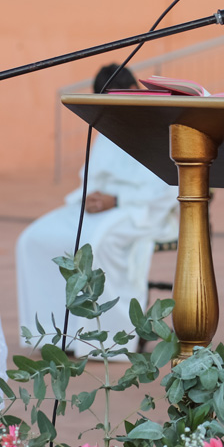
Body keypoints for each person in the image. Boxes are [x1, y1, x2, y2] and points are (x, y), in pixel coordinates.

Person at [15, 64, 179, 355]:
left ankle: (104, 339)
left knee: (94, 243)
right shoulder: (111, 123)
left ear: (131, 92)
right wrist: (90, 197)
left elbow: (167, 188)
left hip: (142, 212)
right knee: (34, 239)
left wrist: (115, 201)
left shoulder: (159, 126)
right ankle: (57, 335)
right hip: (98, 207)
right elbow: (91, 177)